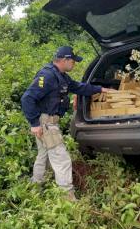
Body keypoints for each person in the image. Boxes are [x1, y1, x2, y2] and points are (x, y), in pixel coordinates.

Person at [21, 46, 112, 201]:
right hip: (46, 124)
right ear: (65, 60)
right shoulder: (48, 75)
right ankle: (67, 199)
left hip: (48, 123)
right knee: (61, 158)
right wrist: (34, 123)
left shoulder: (61, 76)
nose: (74, 64)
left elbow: (78, 87)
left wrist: (100, 89)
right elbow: (27, 98)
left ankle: (35, 187)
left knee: (44, 155)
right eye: (73, 61)